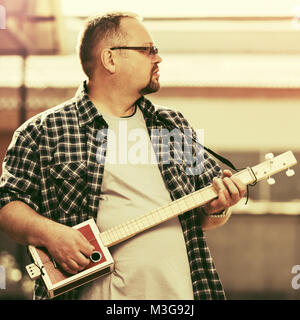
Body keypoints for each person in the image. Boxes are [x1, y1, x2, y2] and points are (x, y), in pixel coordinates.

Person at [0, 12, 246, 300]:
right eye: (148, 50)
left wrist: (219, 207)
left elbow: (206, 217)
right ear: (110, 59)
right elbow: (7, 205)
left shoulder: (173, 125)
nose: (158, 59)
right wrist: (51, 235)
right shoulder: (43, 131)